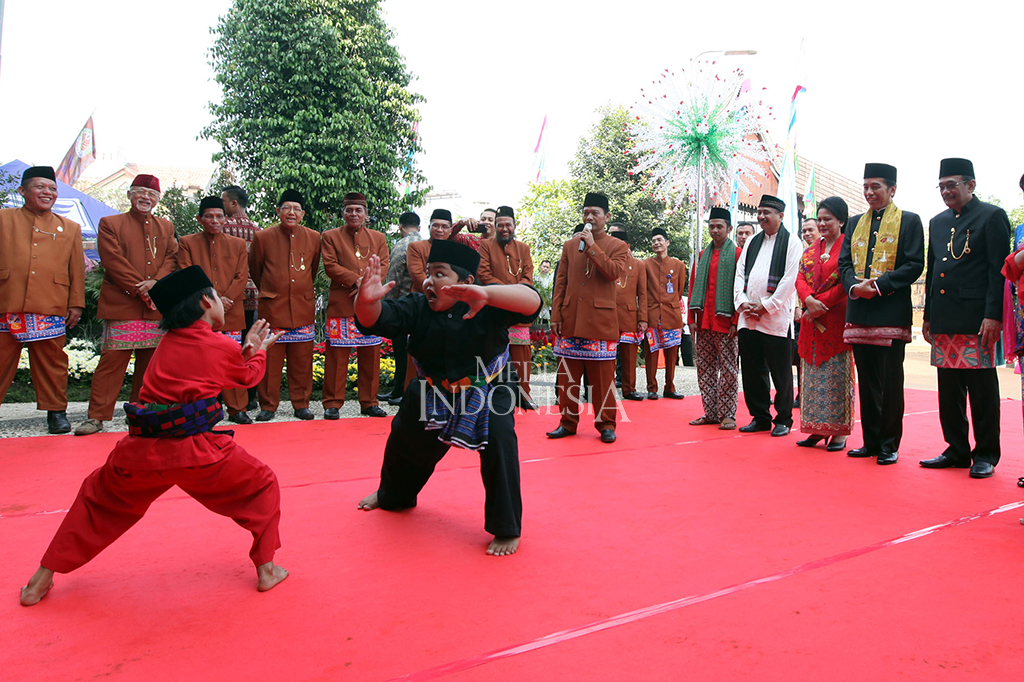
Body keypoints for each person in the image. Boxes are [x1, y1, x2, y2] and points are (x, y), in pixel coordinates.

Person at [19, 266, 288, 606]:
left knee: (95, 503)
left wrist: (246, 350)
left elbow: (212, 367)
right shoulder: (219, 345)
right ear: (207, 301)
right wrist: (257, 350)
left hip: (138, 453)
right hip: (197, 453)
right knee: (262, 484)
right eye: (218, 297)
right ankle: (266, 569)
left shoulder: (167, 343)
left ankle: (40, 579)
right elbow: (246, 377)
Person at [354, 243, 541, 556]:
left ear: (465, 283)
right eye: (429, 273)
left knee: (499, 441)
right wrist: (366, 301)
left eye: (439, 274)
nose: (429, 280)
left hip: (490, 386)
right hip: (434, 388)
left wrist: (488, 294)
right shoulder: (417, 306)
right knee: (404, 438)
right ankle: (392, 495)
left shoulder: (488, 305)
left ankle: (506, 528)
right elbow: (375, 319)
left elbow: (532, 301)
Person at [921, 158, 1011, 478]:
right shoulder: (937, 221)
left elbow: (998, 271)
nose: (946, 191)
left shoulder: (991, 216)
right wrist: (929, 316)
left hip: (977, 319)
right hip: (944, 317)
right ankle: (956, 449)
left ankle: (986, 453)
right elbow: (933, 270)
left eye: (952, 185)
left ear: (971, 185)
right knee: (949, 390)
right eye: (941, 186)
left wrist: (993, 316)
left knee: (982, 391)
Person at [75, 174, 178, 436]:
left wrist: (156, 283)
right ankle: (97, 417)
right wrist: (139, 287)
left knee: (150, 365)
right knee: (112, 363)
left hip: (155, 306)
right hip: (123, 303)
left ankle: (140, 413)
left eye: (151, 194)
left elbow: (171, 257)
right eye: (140, 192)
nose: (145, 198)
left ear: (157, 199)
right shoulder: (110, 223)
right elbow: (112, 260)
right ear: (130, 194)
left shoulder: (166, 226)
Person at [837, 163, 924, 465]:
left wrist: (878, 286)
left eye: (876, 186)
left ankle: (889, 444)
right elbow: (844, 263)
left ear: (892, 189)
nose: (869, 192)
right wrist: (855, 287)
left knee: (889, 383)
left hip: (889, 312)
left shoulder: (909, 221)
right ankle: (871, 441)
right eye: (866, 187)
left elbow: (914, 264)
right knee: (867, 381)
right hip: (859, 310)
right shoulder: (854, 223)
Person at [0, 166, 85, 434]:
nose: (47, 192)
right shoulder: (3, 218)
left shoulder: (70, 227)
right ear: (22, 190)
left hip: (51, 303)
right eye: (40, 187)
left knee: (52, 363)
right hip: (6, 300)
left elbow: (76, 269)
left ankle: (56, 412)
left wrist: (76, 303)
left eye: (52, 189)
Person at [547, 193, 628, 443]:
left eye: (595, 213)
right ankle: (567, 422)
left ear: (607, 217)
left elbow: (613, 272)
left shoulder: (618, 246)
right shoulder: (570, 245)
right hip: (570, 319)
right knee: (567, 379)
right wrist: (556, 314)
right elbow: (561, 282)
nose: (589, 217)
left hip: (600, 321)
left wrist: (592, 246)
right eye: (586, 212)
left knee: (603, 379)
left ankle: (606, 424)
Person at [177, 196, 252, 424]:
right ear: (199, 219)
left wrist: (226, 299)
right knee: (199, 362)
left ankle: (237, 409)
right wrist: (214, 299)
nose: (214, 220)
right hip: (201, 312)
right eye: (209, 216)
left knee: (232, 359)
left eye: (219, 216)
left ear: (226, 218)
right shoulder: (187, 243)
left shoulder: (237, 244)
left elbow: (242, 276)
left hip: (231, 311)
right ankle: (201, 408)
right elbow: (186, 274)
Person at [248, 189, 322, 421]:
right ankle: (268, 405)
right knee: (270, 360)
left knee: (302, 361)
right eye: (287, 208)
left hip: (302, 307)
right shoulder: (263, 237)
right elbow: (256, 269)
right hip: (273, 308)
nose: (292, 212)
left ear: (302, 214)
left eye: (296, 209)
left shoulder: (314, 237)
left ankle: (301, 404)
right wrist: (272, 290)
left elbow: (312, 269)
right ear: (278, 211)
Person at [733, 195, 803, 437]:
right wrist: (742, 302)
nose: (761, 217)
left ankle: (783, 419)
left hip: (775, 318)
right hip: (748, 316)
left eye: (767, 213)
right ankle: (760, 417)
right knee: (752, 370)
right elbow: (740, 274)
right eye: (760, 212)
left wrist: (767, 305)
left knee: (780, 372)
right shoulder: (752, 241)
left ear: (780, 216)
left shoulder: (792, 242)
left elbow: (790, 280)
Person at [321, 192, 390, 418]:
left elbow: (384, 264)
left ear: (365, 214)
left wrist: (368, 284)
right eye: (349, 210)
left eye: (358, 210)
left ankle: (369, 402)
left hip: (370, 304)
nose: (353, 214)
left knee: (371, 355)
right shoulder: (330, 236)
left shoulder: (378, 237)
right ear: (343, 213)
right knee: (337, 357)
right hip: (342, 303)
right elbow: (330, 265)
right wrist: (356, 280)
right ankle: (332, 403)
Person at [795, 197, 854, 451]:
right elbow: (799, 278)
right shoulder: (810, 251)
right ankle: (816, 428)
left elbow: (845, 283)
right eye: (819, 219)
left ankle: (839, 432)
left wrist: (820, 304)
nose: (821, 224)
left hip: (835, 320)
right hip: (811, 321)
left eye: (827, 219)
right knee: (812, 377)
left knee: (836, 376)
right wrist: (809, 301)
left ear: (841, 221)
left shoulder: (848, 249)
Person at [477, 205, 537, 408]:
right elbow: (484, 275)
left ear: (514, 225)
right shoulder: (486, 246)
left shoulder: (524, 248)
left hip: (518, 309)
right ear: (495, 226)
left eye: (508, 225)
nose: (504, 229)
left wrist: (516, 295)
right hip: (495, 308)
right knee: (493, 354)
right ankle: (495, 397)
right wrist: (507, 294)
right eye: (500, 225)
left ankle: (524, 396)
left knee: (521, 357)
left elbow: (528, 276)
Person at [687, 207, 740, 429]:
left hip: (725, 323)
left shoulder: (737, 254)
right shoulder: (702, 256)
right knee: (705, 369)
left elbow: (740, 290)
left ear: (729, 228)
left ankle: (728, 414)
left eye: (719, 226)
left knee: (728, 370)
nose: (714, 230)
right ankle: (710, 413)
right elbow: (692, 288)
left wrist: (736, 321)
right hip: (703, 322)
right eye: (711, 226)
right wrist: (691, 319)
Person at [221, 184, 262, 410]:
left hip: (226, 299)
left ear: (233, 203)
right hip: (252, 295)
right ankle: (250, 395)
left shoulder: (222, 229)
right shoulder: (258, 231)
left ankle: (221, 395)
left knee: (223, 348)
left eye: (224, 201)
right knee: (249, 346)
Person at [379, 211, 422, 405]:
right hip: (421, 305)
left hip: (403, 305)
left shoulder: (402, 245)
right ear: (419, 227)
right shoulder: (426, 244)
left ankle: (399, 390)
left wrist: (387, 306)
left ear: (400, 227)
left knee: (401, 353)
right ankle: (402, 390)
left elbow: (393, 277)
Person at [643, 227, 686, 399]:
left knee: (672, 353)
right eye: (654, 241)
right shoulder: (645, 265)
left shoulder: (679, 265)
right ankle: (652, 388)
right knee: (651, 353)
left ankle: (670, 387)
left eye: (660, 240)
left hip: (671, 314)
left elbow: (679, 290)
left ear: (667, 243)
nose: (656, 243)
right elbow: (643, 291)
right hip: (652, 314)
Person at [608, 225, 648, 400]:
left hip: (630, 316)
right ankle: (606, 389)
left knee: (629, 356)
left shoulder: (638, 265)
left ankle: (629, 389)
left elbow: (643, 294)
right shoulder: (605, 263)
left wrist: (643, 318)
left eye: (621, 244)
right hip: (608, 315)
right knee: (607, 356)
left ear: (628, 245)